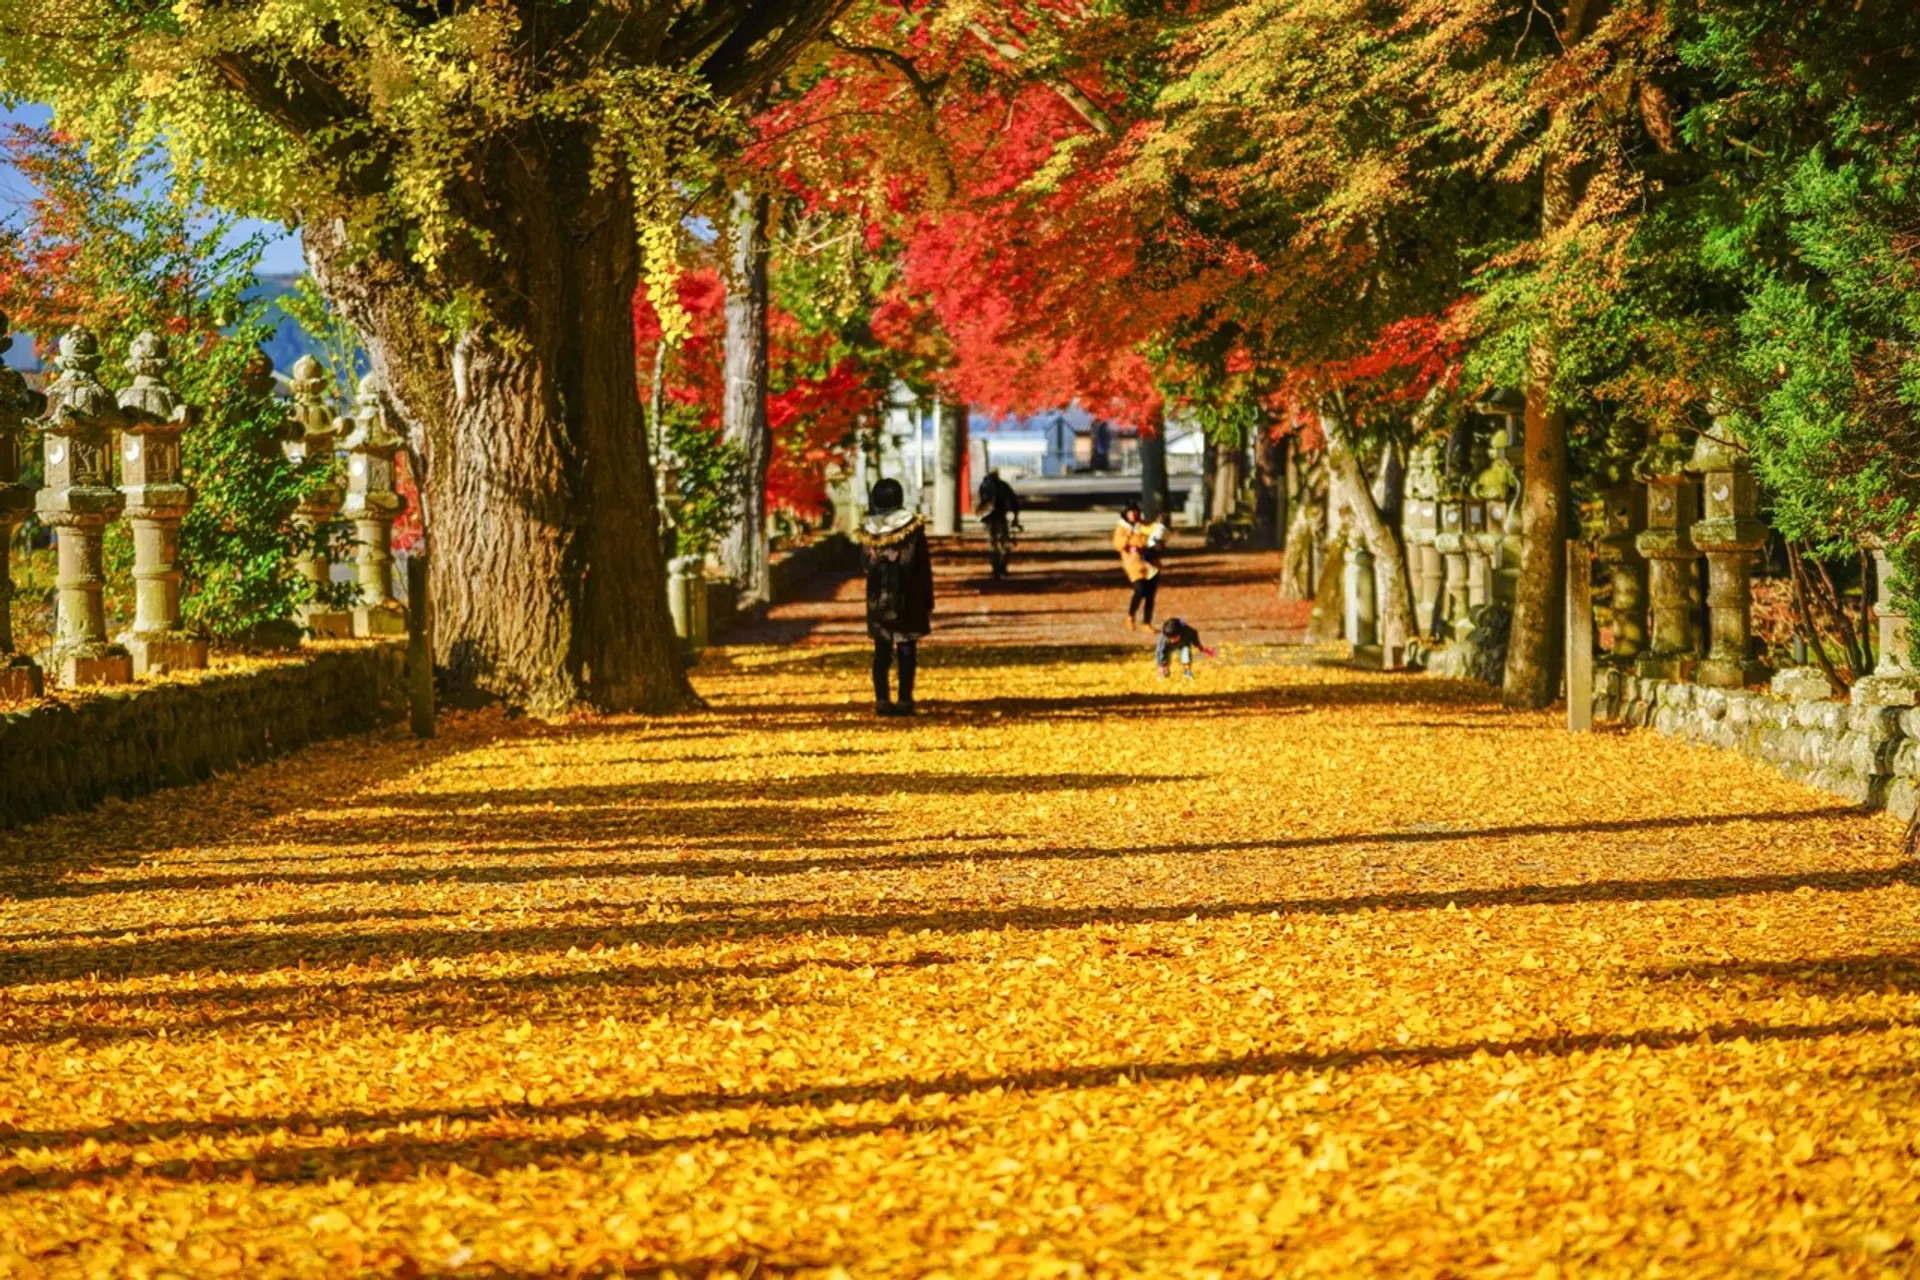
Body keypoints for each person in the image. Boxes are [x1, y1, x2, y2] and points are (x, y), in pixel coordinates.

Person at [856, 478, 935, 717]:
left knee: (881, 650)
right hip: (909, 597)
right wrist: (928, 599)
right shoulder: (911, 527)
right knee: (906, 649)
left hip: (878, 599)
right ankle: (904, 699)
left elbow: (865, 566)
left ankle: (881, 699)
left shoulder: (868, 529)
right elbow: (920, 565)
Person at [976, 469, 1021, 579]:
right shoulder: (1003, 485)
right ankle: (1002, 567)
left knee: (993, 544)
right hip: (1001, 518)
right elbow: (1014, 501)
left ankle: (996, 568)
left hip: (989, 519)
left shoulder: (984, 486)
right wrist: (1015, 518)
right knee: (1004, 543)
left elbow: (982, 503)